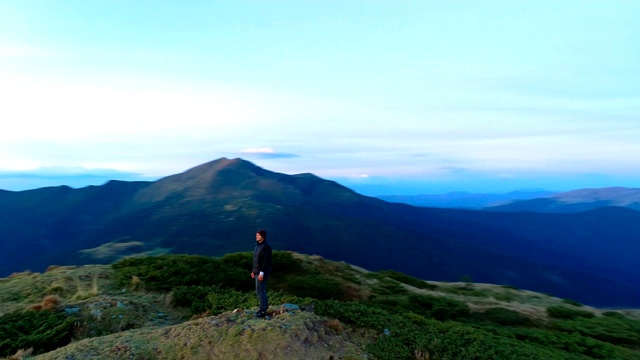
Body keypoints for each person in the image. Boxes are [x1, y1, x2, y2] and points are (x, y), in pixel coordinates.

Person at [251, 229, 272, 318]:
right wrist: (253, 271)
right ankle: (265, 306)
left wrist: (261, 273)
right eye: (256, 235)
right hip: (257, 272)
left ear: (263, 236)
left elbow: (265, 262)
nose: (256, 236)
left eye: (258, 235)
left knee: (259, 291)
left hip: (262, 273)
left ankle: (262, 310)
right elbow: (256, 260)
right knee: (261, 290)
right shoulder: (257, 247)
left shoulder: (266, 247)